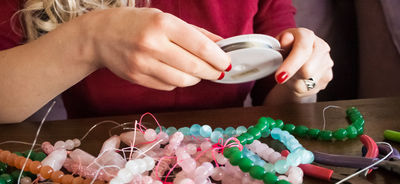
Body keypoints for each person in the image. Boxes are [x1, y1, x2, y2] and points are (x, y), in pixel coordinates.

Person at [0, 0, 333, 124]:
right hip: (99, 166)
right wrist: (89, 40)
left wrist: (304, 82)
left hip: (233, 163)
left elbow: (277, 103)